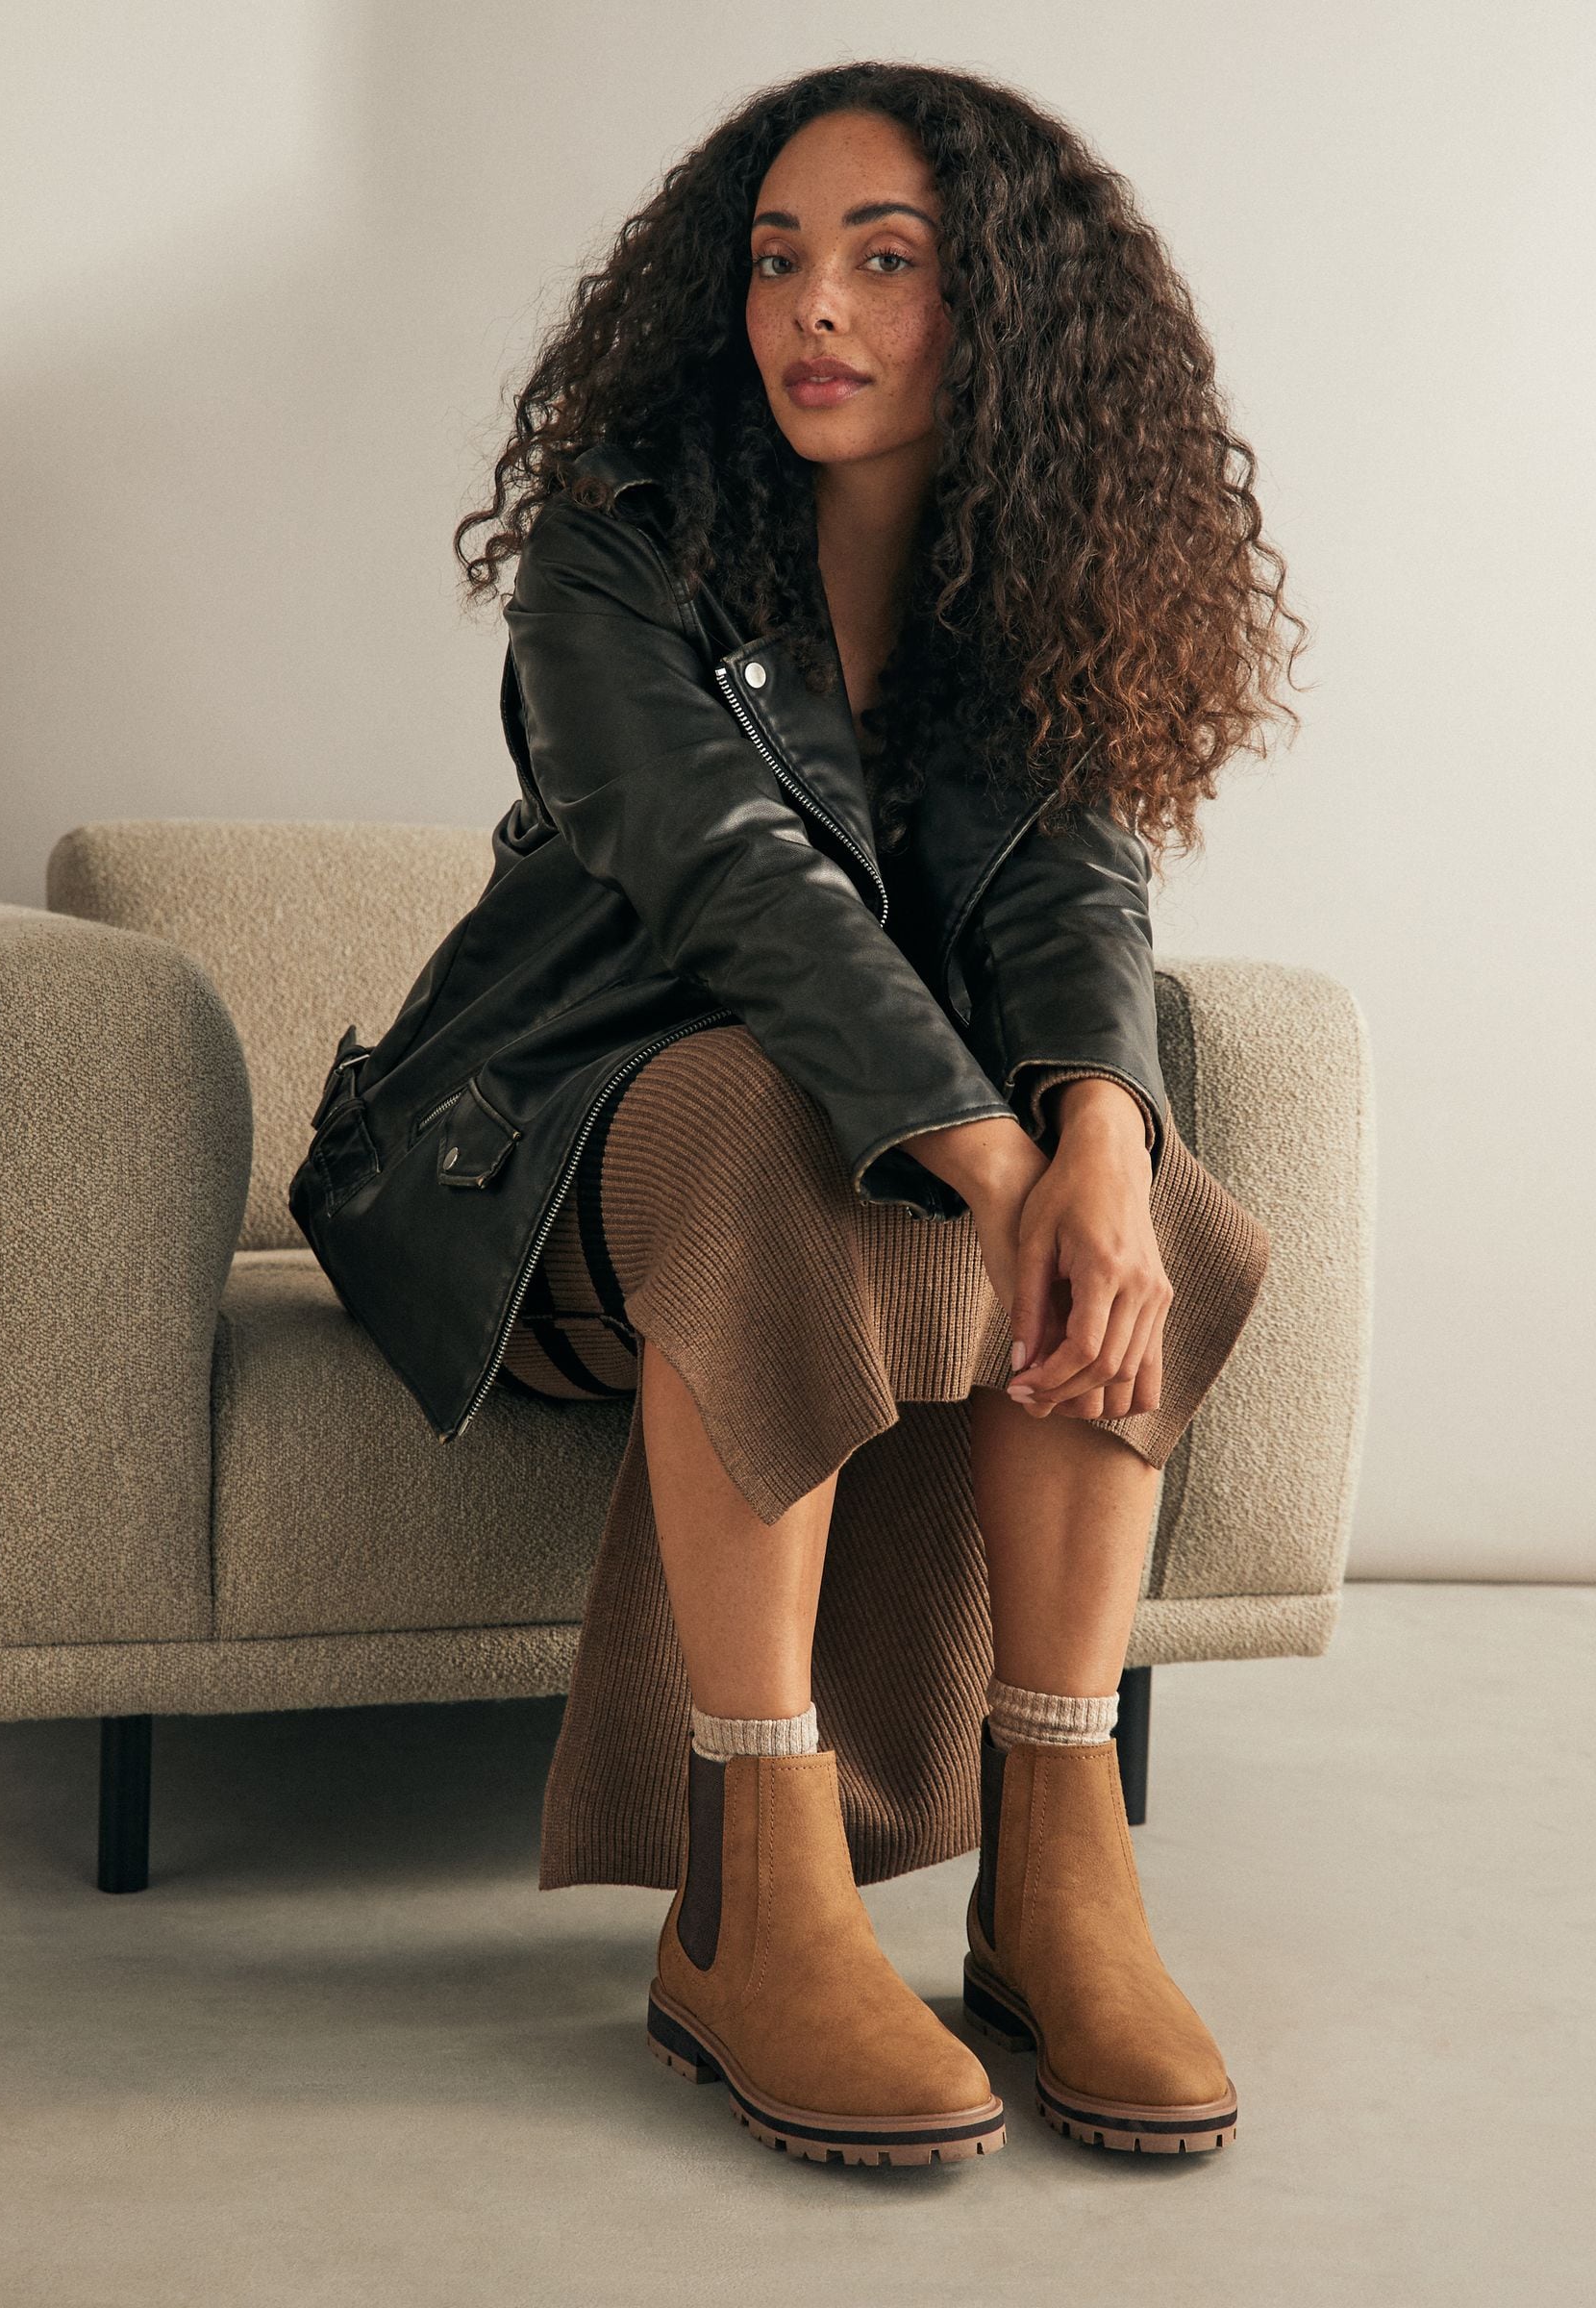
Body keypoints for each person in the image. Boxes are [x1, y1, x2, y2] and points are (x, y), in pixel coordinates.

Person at [290, 60, 1305, 2170]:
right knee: (778, 1115)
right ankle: (749, 1894)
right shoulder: (618, 551)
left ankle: (1058, 1866)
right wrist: (995, 1159)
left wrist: (1096, 1143)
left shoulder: (1019, 588)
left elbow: (1075, 895)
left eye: (883, 260)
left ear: (1001, 311)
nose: (813, 307)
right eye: (777, 260)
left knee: (1157, 1201)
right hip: (522, 1157)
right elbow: (739, 894)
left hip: (829, 1155)